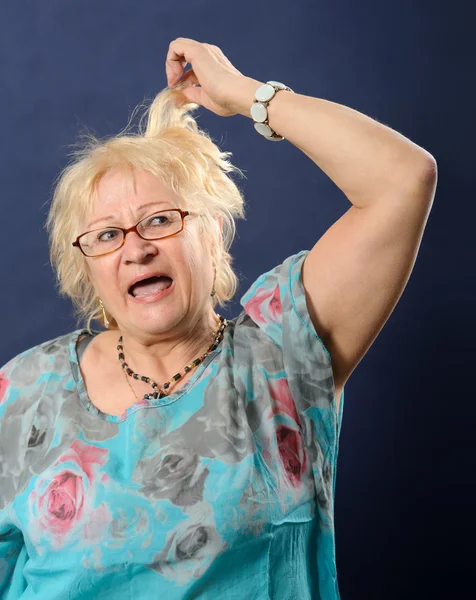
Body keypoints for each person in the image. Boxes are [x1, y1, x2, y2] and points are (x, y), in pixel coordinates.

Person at [0, 38, 437, 599]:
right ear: (87, 267)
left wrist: (247, 96)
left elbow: (403, 178)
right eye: (107, 236)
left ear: (211, 234)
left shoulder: (283, 353)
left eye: (160, 220)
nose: (135, 249)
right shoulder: (20, 396)